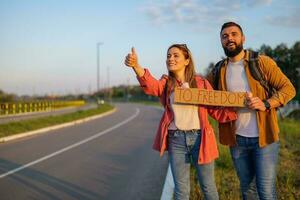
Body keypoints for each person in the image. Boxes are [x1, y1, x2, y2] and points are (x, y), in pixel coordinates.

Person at [124, 44, 237, 200]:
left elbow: (215, 109)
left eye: (176, 55)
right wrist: (136, 66)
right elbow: (151, 86)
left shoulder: (201, 83)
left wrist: (237, 109)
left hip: (201, 139)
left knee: (208, 187)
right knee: (181, 190)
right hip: (176, 140)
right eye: (169, 55)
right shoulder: (166, 83)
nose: (171, 58)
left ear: (186, 60)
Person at [207, 22, 296, 199]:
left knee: (265, 190)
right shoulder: (219, 69)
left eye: (234, 34)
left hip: (264, 139)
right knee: (247, 189)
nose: (229, 38)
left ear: (243, 38)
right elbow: (201, 92)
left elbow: (288, 89)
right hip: (237, 140)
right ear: (221, 41)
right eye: (225, 36)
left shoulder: (261, 62)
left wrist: (267, 103)